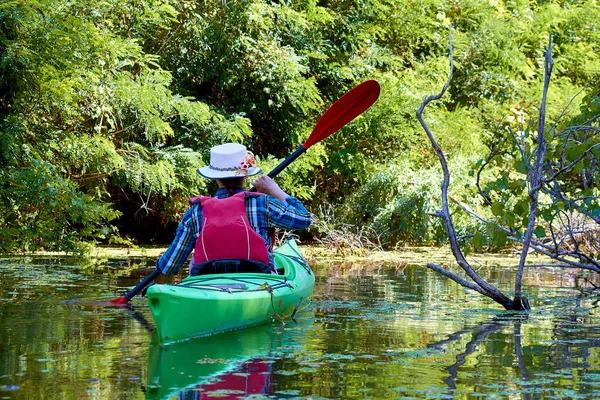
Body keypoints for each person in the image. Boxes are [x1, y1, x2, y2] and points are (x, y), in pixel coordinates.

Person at [155, 142, 311, 276]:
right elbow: (304, 219)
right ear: (245, 176)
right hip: (259, 282)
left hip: (207, 284)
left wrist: (159, 264)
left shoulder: (195, 212)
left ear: (215, 178)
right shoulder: (262, 203)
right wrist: (274, 189)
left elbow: (169, 267)